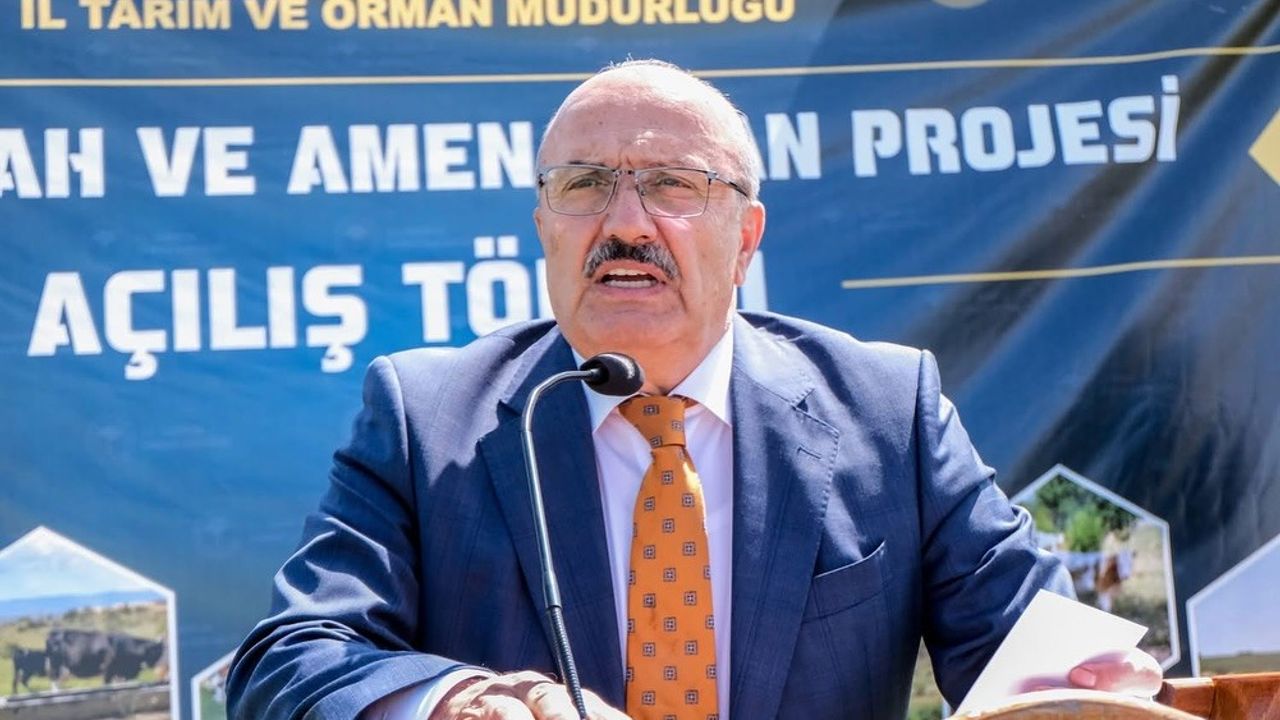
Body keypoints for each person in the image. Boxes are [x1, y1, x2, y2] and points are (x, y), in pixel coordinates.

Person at [227, 60, 1162, 720]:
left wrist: (1085, 687)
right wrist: (460, 702)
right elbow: (289, 661)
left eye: (674, 185)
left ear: (746, 237)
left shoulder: (886, 410)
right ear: (545, 226)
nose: (626, 223)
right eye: (585, 184)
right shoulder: (426, 418)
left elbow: (1031, 651)